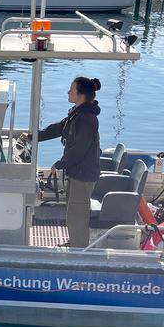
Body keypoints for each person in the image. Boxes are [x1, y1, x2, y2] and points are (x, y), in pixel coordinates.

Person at [33, 76, 102, 248]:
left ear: (80, 95)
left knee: (77, 214)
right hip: (77, 172)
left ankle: (79, 252)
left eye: (71, 89)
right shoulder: (78, 113)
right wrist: (34, 136)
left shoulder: (86, 119)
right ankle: (75, 243)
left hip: (83, 175)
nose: (68, 92)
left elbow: (79, 149)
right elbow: (59, 128)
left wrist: (60, 164)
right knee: (73, 211)